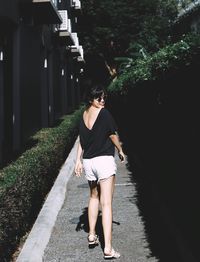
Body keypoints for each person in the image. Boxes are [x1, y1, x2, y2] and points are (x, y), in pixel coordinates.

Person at [74, 85, 125, 260]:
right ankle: (108, 249)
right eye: (99, 98)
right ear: (91, 99)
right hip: (103, 161)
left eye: (103, 98)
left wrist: (78, 161)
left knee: (93, 197)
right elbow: (112, 135)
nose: (102, 101)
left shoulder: (83, 115)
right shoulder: (104, 114)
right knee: (107, 204)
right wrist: (120, 150)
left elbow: (81, 140)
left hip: (89, 162)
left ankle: (91, 235)